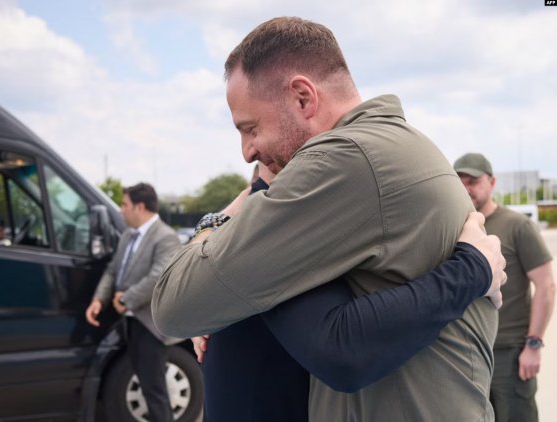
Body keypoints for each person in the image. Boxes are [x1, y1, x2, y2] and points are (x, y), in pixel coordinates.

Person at [153, 17, 498, 420]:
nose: (247, 151)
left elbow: (174, 304)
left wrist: (220, 229)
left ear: (303, 98)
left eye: (250, 128)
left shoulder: (345, 159)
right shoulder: (397, 145)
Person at [196, 164, 506, 421]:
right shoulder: (274, 252)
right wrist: (471, 270)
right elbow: (345, 347)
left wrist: (219, 220)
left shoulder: (232, 258)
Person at [455, 152, 555, 421]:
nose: (466, 188)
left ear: (492, 182)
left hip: (509, 355)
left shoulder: (517, 226)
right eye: (459, 180)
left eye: (473, 181)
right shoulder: (457, 229)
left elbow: (546, 286)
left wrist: (533, 345)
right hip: (467, 356)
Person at [85, 183, 181, 422]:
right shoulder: (128, 235)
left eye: (124, 204)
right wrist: (99, 298)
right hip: (131, 323)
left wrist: (126, 299)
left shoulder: (166, 236)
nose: (120, 210)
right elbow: (112, 270)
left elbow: (159, 276)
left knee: (155, 388)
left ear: (140, 207)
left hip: (151, 325)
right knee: (146, 383)